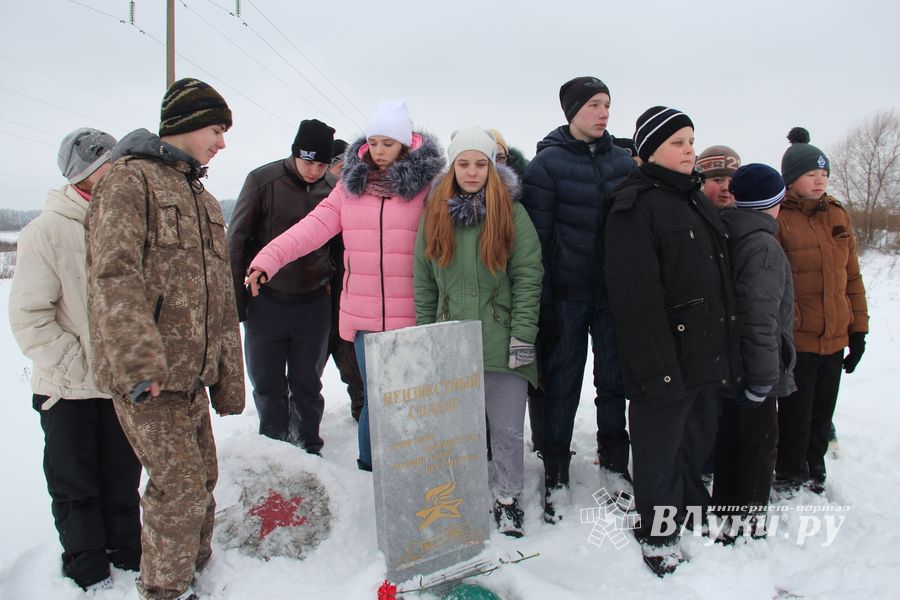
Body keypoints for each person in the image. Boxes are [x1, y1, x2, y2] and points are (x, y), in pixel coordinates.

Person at [87, 78, 246, 600]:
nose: (221, 143)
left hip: (192, 376)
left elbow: (219, 298)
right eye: (217, 130)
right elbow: (114, 275)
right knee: (176, 490)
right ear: (185, 125)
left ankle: (195, 572)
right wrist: (139, 362)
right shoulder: (129, 183)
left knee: (202, 479)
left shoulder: (200, 197)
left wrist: (227, 374)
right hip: (149, 378)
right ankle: (166, 590)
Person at [247, 100, 445, 471]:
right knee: (374, 397)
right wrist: (267, 259)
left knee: (409, 398)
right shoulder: (349, 189)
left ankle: (410, 470)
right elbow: (310, 229)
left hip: (414, 316)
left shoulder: (428, 187)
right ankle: (371, 469)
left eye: (388, 142)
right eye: (374, 141)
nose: (380, 150)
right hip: (364, 316)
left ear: (405, 143)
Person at [604, 106, 739, 576]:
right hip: (661, 358)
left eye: (691, 141)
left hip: (703, 351)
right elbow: (635, 300)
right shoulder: (633, 205)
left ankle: (692, 512)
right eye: (678, 142)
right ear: (650, 149)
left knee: (693, 443)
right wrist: (657, 369)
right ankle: (658, 534)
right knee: (659, 452)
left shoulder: (694, 199)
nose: (689, 150)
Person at [9, 128, 141, 591]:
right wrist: (77, 366)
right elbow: (30, 316)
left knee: (123, 482)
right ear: (85, 174)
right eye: (111, 163)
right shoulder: (45, 231)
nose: (121, 171)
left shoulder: (125, 222)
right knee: (76, 489)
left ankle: (129, 561)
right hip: (68, 389)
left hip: (119, 386)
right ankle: (88, 575)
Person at [414, 127, 542, 537]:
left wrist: (523, 335)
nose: (472, 172)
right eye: (464, 164)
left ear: (492, 166)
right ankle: (460, 495)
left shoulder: (512, 212)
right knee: (457, 429)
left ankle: (507, 498)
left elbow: (527, 275)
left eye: (480, 164)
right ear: (452, 167)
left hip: (502, 339)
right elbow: (424, 281)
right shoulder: (434, 211)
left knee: (505, 429)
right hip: (451, 339)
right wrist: (426, 335)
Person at [521, 76, 635, 522]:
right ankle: (556, 473)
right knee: (562, 385)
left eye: (607, 104)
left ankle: (614, 464)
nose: (603, 112)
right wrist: (545, 304)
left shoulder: (623, 164)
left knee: (613, 383)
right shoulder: (546, 165)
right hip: (566, 297)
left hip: (610, 296)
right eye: (593, 105)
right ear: (572, 111)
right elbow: (538, 241)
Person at [227, 119, 337, 451]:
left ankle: (308, 445)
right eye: (308, 162)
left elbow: (343, 248)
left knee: (307, 381)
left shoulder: (332, 189)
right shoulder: (263, 181)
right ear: (294, 154)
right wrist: (238, 304)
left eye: (322, 163)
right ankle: (273, 445)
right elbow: (237, 240)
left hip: (314, 300)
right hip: (268, 299)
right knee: (267, 381)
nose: (315, 170)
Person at [774, 127, 869, 494]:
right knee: (795, 416)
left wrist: (858, 330)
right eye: (811, 175)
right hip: (799, 338)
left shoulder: (837, 215)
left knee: (822, 413)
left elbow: (853, 278)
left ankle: (815, 470)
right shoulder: (780, 217)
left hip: (834, 336)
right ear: (791, 179)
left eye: (824, 174)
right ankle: (788, 474)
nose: (819, 181)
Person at [713, 164, 796, 540]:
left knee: (730, 440)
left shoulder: (724, 232)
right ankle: (747, 521)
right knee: (758, 446)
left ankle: (723, 510)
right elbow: (760, 317)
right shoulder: (762, 246)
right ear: (774, 203)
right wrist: (765, 378)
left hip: (728, 364)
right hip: (754, 368)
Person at [325, 138, 366, 421]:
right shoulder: (321, 196)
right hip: (319, 293)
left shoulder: (359, 194)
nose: (344, 173)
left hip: (351, 292)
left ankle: (361, 410)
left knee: (353, 364)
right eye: (340, 167)